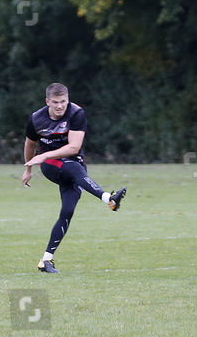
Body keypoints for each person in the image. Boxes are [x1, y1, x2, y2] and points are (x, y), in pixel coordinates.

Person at [22, 82, 127, 273]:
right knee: (75, 169)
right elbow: (30, 144)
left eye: (63, 101)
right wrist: (28, 168)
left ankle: (46, 260)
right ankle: (108, 199)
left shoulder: (76, 113)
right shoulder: (36, 119)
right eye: (55, 102)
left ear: (68, 100)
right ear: (48, 102)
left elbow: (74, 147)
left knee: (67, 211)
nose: (60, 106)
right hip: (51, 166)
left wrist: (42, 155)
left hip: (74, 167)